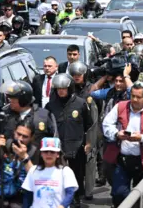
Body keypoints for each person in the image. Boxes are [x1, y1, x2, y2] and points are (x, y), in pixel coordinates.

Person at [102, 81, 143, 207]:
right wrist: (116, 134)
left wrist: (141, 138)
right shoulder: (121, 106)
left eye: (138, 97)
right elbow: (106, 124)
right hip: (122, 159)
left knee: (142, 197)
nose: (134, 99)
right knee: (119, 194)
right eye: (132, 96)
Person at [45, 74, 93, 208]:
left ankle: (76, 199)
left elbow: (89, 125)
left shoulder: (80, 103)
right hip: (58, 147)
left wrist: (88, 143)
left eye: (64, 88)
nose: (61, 91)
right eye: (58, 88)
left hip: (77, 146)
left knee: (77, 174)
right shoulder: (50, 106)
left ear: (69, 88)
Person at [0, 120, 37, 207]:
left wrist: (24, 157)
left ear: (31, 138)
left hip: (21, 200)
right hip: (0, 196)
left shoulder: (34, 152)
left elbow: (36, 178)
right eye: (18, 134)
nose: (20, 139)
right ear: (14, 132)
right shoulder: (5, 145)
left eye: (25, 136)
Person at [22, 137, 78, 208]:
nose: (49, 154)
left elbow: (70, 193)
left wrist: (62, 206)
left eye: (52, 152)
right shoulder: (33, 170)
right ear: (41, 154)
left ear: (57, 154)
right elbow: (28, 195)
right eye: (45, 151)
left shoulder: (66, 171)